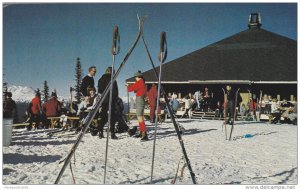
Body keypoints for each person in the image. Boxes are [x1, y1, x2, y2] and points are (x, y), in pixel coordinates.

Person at [97, 67, 119, 139]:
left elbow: (99, 90)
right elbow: (115, 90)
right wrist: (115, 98)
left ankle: (100, 131)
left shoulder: (100, 79)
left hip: (104, 100)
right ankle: (112, 133)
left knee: (103, 115)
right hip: (111, 99)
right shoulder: (113, 79)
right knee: (112, 116)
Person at [127, 70, 149, 141]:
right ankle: (141, 132)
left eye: (135, 77)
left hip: (139, 101)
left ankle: (144, 134)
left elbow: (130, 89)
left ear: (137, 77)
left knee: (140, 118)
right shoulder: (143, 83)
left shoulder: (139, 82)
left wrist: (128, 86)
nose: (135, 79)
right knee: (140, 118)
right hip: (141, 100)